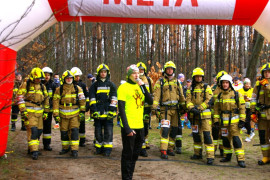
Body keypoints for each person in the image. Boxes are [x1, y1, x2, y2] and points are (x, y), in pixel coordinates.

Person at [118, 64, 153, 180]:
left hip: (140, 125)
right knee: (128, 154)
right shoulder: (123, 88)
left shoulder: (140, 87)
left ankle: (130, 175)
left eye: (138, 73)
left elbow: (150, 100)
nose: (137, 75)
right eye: (134, 73)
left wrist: (143, 87)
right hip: (129, 126)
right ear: (129, 75)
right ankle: (126, 177)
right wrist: (127, 128)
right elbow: (121, 109)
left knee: (135, 154)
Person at [153, 61, 186, 159]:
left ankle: (170, 148)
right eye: (168, 69)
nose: (169, 70)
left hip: (175, 110)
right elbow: (156, 96)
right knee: (165, 130)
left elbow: (181, 96)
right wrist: (154, 108)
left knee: (174, 130)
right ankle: (163, 150)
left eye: (171, 69)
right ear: (165, 70)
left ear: (173, 70)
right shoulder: (160, 82)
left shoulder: (177, 82)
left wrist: (184, 107)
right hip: (165, 110)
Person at [213, 74, 246, 168]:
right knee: (225, 140)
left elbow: (242, 108)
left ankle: (241, 159)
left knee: (236, 140)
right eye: (223, 82)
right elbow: (216, 109)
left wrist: (242, 120)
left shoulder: (236, 94)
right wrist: (216, 121)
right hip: (223, 122)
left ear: (230, 84)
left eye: (226, 82)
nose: (225, 84)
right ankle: (227, 156)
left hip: (234, 122)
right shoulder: (219, 96)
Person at [17, 68, 50, 160]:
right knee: (33, 131)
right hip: (29, 113)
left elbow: (46, 99)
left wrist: (46, 112)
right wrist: (23, 111)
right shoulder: (25, 85)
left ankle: (31, 148)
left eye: (40, 79)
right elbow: (20, 98)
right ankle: (34, 151)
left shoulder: (42, 86)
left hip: (39, 113)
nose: (38, 80)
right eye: (37, 78)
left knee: (39, 131)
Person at [53, 70, 86, 158]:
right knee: (64, 132)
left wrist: (82, 112)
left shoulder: (77, 88)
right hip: (63, 115)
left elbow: (82, 101)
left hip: (75, 114)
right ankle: (65, 148)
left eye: (70, 78)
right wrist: (56, 115)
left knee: (74, 131)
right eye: (67, 78)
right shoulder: (59, 90)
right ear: (64, 79)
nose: (69, 79)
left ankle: (74, 149)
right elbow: (55, 102)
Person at [186, 67, 214, 165]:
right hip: (194, 116)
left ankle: (210, 156)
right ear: (194, 77)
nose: (198, 78)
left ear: (202, 77)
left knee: (207, 136)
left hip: (205, 117)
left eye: (200, 76)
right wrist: (191, 108)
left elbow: (209, 100)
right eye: (197, 76)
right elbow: (188, 100)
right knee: (196, 135)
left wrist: (199, 108)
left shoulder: (207, 87)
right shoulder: (191, 88)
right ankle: (197, 154)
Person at [89, 64, 117, 157]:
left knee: (108, 131)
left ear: (107, 73)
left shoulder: (111, 85)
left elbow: (114, 98)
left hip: (108, 111)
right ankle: (98, 148)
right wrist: (94, 111)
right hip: (98, 112)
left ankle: (107, 149)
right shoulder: (94, 85)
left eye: (105, 72)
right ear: (98, 73)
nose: (103, 74)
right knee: (98, 131)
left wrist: (111, 110)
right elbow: (92, 99)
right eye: (101, 72)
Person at [251, 63, 270, 165]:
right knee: (263, 136)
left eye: (268, 72)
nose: (267, 74)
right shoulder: (258, 85)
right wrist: (253, 111)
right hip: (262, 115)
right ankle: (266, 157)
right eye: (265, 72)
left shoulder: (265, 84)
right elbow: (254, 98)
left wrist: (267, 85)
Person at [137, 62, 153, 157]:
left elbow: (151, 92)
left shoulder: (148, 80)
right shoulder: (134, 79)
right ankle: (140, 145)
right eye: (139, 70)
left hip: (146, 107)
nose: (140, 71)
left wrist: (152, 105)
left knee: (145, 125)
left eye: (142, 70)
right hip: (137, 106)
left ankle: (145, 142)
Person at [211, 71, 228, 157]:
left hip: (225, 116)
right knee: (215, 134)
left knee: (224, 134)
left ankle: (222, 150)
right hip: (215, 116)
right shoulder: (213, 89)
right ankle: (213, 150)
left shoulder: (229, 90)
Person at [71, 67, 89, 147]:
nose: (77, 78)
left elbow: (87, 96)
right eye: (76, 76)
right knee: (73, 125)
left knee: (82, 124)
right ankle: (73, 139)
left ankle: (82, 141)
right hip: (72, 108)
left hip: (81, 108)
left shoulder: (83, 85)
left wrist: (87, 105)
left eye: (78, 76)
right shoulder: (70, 85)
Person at [41, 67, 58, 151]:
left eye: (48, 75)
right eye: (45, 75)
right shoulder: (39, 84)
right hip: (39, 110)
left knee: (47, 128)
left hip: (49, 110)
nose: (47, 77)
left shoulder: (53, 85)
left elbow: (55, 98)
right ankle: (34, 146)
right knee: (38, 128)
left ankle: (46, 144)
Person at [238, 78, 255, 142]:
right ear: (244, 84)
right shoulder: (240, 90)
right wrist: (243, 98)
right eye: (247, 84)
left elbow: (255, 97)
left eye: (249, 84)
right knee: (243, 121)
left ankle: (249, 134)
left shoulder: (252, 90)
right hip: (242, 107)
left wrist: (250, 99)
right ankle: (250, 133)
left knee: (247, 121)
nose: (248, 85)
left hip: (250, 108)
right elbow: (238, 98)